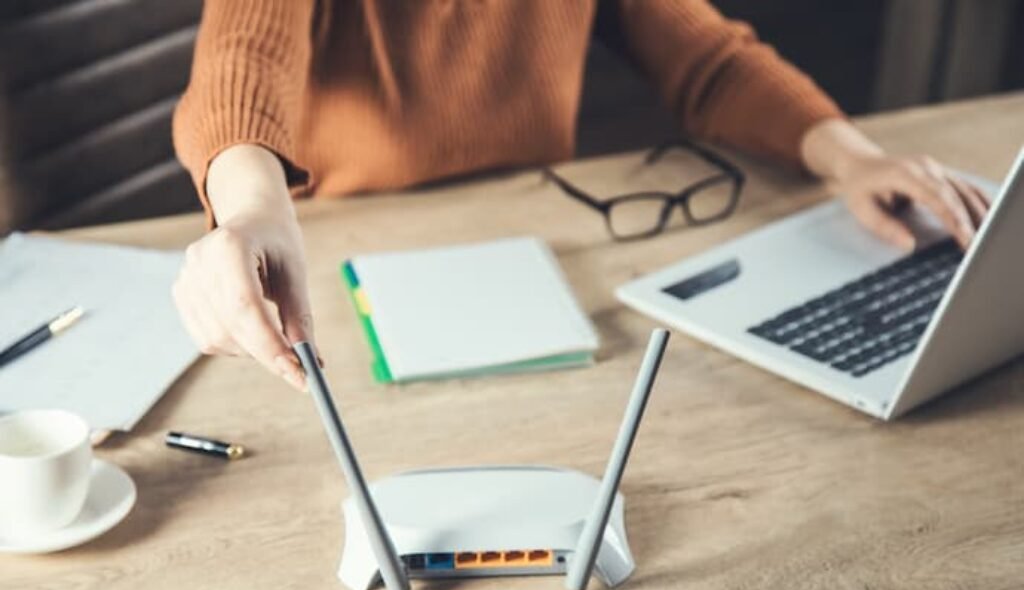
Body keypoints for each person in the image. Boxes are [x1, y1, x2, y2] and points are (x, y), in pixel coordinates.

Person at [171, 0, 990, 391]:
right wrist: (248, 207)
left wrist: (852, 159)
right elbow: (239, 64)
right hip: (345, 284)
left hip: (537, 260)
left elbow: (709, 59)